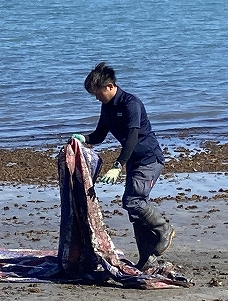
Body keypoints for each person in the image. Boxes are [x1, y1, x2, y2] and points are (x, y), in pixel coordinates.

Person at [72, 62, 174, 270]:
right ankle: (147, 259)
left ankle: (164, 228)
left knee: (133, 201)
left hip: (149, 159)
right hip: (135, 161)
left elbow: (132, 137)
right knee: (135, 213)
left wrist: (118, 165)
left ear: (110, 86)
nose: (96, 97)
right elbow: (99, 135)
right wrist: (83, 138)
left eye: (97, 92)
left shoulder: (130, 103)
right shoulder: (107, 107)